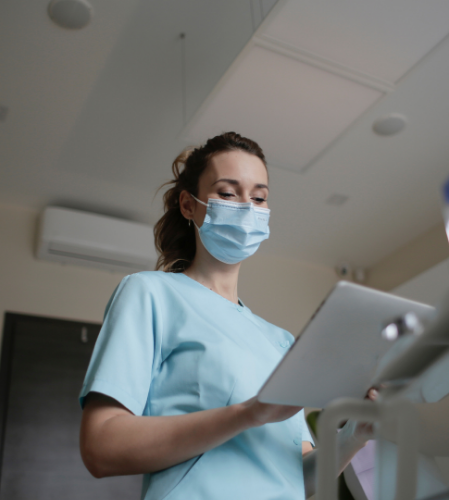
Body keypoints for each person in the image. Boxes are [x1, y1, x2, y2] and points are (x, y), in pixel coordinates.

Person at [78, 132, 373, 499]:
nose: (247, 208)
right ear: (189, 205)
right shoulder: (150, 293)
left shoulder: (280, 341)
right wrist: (250, 413)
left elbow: (299, 478)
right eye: (229, 194)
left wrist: (354, 436)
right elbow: (100, 447)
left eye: (260, 197)